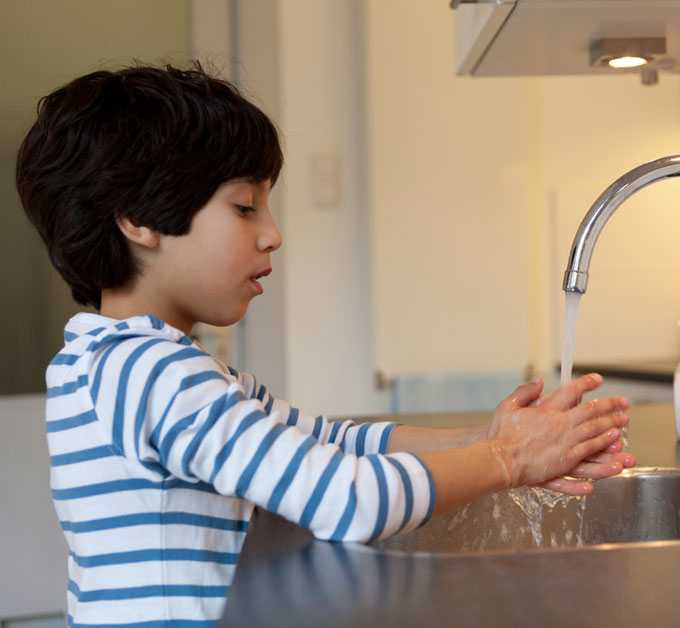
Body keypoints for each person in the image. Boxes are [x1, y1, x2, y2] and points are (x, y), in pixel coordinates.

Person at [16, 62, 635, 627]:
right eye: (244, 207)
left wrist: (489, 436)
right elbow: (346, 499)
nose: (273, 234)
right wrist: (508, 460)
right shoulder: (147, 371)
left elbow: (330, 440)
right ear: (138, 219)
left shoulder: (148, 362)